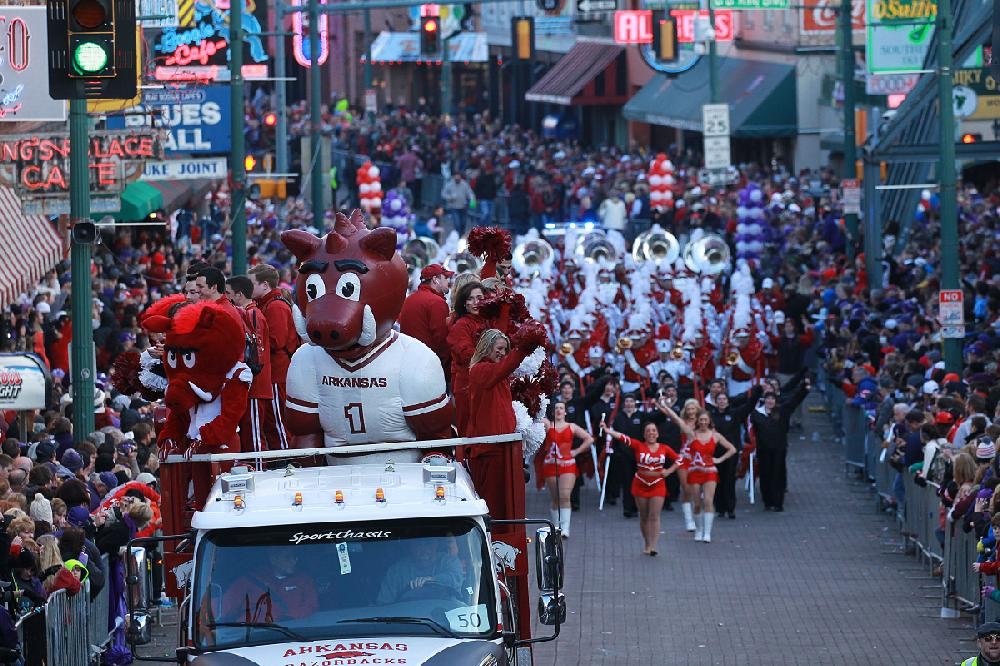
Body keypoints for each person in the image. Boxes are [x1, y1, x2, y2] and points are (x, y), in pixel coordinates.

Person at [465, 328, 539, 519]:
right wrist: (523, 348)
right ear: (486, 347)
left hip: (500, 445)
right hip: (490, 448)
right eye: (499, 348)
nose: (502, 353)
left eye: (505, 350)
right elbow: (505, 367)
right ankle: (494, 540)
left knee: (503, 501)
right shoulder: (481, 370)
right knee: (494, 503)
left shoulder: (495, 374)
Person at [602, 421, 680, 556]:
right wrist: (608, 431)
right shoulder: (639, 445)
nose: (651, 433)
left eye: (653, 430)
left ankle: (654, 546)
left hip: (658, 484)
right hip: (640, 483)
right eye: (648, 431)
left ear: (657, 433)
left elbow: (679, 460)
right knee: (644, 516)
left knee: (654, 516)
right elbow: (623, 438)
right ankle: (647, 543)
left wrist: (669, 471)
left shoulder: (664, 448)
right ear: (644, 434)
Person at [249, 264, 299, 450]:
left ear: (264, 285)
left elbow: (276, 341)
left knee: (278, 423)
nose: (249, 287)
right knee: (273, 423)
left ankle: (288, 460)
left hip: (278, 375)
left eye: (251, 283)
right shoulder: (268, 304)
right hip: (274, 375)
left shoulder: (276, 306)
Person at [226, 276, 273, 453]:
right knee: (249, 434)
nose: (226, 297)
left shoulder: (252, 314)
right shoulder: (251, 312)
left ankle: (259, 472)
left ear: (238, 295)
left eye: (228, 293)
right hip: (252, 384)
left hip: (255, 386)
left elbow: (256, 352)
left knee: (253, 436)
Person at [748, 379, 810, 512]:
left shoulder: (783, 411)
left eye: (772, 399)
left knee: (777, 474)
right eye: (768, 399)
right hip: (763, 450)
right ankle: (767, 502)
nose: (770, 401)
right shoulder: (757, 414)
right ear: (764, 401)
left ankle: (778, 502)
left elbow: (795, 400)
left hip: (779, 449)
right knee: (765, 475)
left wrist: (804, 387)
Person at [680, 409, 737, 543]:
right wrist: (666, 408)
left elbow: (732, 449)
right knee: (697, 504)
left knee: (708, 501)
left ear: (710, 421)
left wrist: (719, 459)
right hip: (695, 471)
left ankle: (707, 532)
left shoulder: (715, 435)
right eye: (701, 420)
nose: (703, 422)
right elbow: (679, 422)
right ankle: (699, 529)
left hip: (710, 471)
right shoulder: (692, 435)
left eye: (706, 420)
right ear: (698, 421)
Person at [708, 386, 763, 518]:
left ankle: (730, 508)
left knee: (729, 480)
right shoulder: (710, 416)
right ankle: (720, 508)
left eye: (724, 399)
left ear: (728, 401)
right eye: (719, 399)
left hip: (731, 453)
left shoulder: (734, 413)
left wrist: (757, 392)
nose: (721, 401)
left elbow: (749, 406)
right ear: (716, 402)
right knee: (717, 480)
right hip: (715, 453)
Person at [541, 402, 593, 538]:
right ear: (553, 412)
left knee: (565, 496)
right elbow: (537, 419)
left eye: (561, 408)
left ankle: (565, 528)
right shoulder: (548, 425)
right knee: (555, 498)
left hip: (568, 465)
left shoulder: (571, 426)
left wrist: (576, 451)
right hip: (550, 464)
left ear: (565, 412)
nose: (558, 410)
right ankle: (555, 526)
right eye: (556, 408)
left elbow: (589, 439)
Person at [222, 548, 318, 622]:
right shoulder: (249, 580)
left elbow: (311, 605)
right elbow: (224, 606)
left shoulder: (304, 580)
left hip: (296, 632)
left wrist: (289, 618)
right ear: (273, 559)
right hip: (252, 636)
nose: (294, 561)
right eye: (288, 557)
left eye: (295, 557)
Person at [446, 281, 486, 436]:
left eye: (480, 297)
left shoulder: (487, 321)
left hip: (485, 383)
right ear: (464, 303)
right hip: (467, 386)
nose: (476, 302)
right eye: (471, 298)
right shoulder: (461, 325)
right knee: (469, 432)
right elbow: (467, 355)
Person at [398, 264, 454, 376]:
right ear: (435, 279)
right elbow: (441, 340)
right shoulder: (437, 302)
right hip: (430, 367)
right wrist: (447, 371)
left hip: (408, 364)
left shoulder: (409, 299)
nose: (449, 281)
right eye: (445, 278)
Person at [376, 538, 463, 605]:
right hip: (407, 620)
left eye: (428, 544)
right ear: (410, 547)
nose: (424, 550)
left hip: (446, 617)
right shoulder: (397, 571)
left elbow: (455, 580)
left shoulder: (449, 561)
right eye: (418, 544)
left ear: (436, 545)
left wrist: (432, 580)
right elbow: (383, 604)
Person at [441, 172, 474, 236]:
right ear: (454, 178)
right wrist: (450, 197)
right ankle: (458, 237)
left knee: (463, 223)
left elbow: (469, 192)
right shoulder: (449, 184)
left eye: (458, 178)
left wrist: (472, 198)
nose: (457, 180)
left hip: (463, 207)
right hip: (454, 207)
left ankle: (461, 234)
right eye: (456, 178)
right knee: (457, 223)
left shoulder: (464, 184)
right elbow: (443, 194)